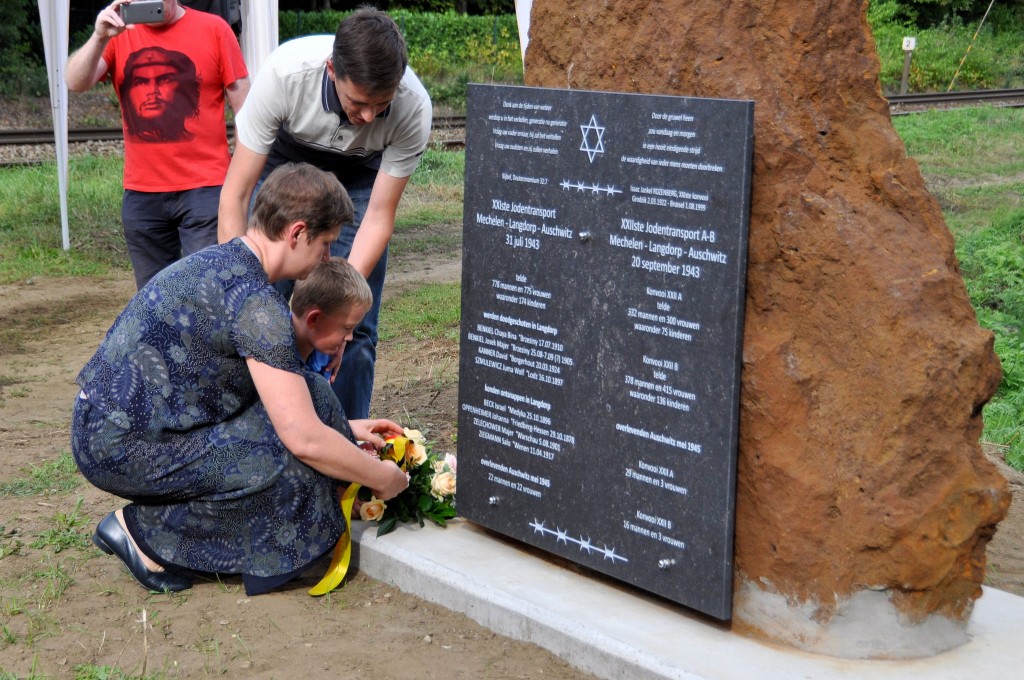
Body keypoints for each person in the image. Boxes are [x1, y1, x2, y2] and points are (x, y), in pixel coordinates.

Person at [73, 163, 410, 595]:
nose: (328, 258)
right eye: (325, 244)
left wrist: (346, 429)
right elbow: (302, 438)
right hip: (119, 446)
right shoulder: (255, 304)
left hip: (110, 428)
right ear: (297, 232)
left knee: (316, 402)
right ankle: (142, 535)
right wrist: (382, 478)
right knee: (288, 465)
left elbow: (284, 397)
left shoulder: (227, 260)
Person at [218, 6, 433, 421]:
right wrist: (238, 281)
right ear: (332, 69)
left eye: (381, 106)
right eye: (359, 102)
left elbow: (378, 215)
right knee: (260, 309)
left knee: (354, 326)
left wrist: (340, 310)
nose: (368, 117)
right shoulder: (284, 74)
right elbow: (236, 192)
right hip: (286, 170)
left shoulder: (413, 107)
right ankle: (255, 429)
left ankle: (347, 441)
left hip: (360, 179)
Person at [66, 0, 250, 289]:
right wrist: (99, 36)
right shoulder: (119, 34)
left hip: (206, 189)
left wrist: (240, 184)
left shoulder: (215, 29)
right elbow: (75, 82)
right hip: (142, 194)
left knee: (210, 292)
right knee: (153, 302)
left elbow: (246, 112)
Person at [291, 258, 373, 380]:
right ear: (314, 319)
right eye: (347, 328)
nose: (349, 337)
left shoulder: (323, 354)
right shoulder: (276, 361)